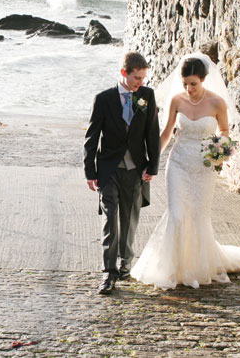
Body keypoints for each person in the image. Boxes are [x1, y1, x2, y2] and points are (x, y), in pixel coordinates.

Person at [130, 53, 240, 289]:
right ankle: (173, 269)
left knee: (197, 216)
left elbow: (224, 130)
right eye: (185, 83)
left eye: (193, 84)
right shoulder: (177, 100)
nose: (189, 89)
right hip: (178, 164)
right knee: (176, 215)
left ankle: (196, 267)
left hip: (204, 167)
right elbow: (166, 134)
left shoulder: (217, 103)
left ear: (203, 80)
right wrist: (152, 161)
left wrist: (219, 150)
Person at [83, 51, 161, 295]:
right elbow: (92, 137)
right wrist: (90, 171)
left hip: (136, 169)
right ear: (124, 73)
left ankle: (125, 264)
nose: (140, 83)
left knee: (130, 219)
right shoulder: (103, 99)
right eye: (136, 78)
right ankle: (109, 272)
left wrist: (152, 165)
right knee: (110, 219)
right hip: (109, 170)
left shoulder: (147, 96)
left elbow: (152, 133)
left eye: (143, 78)